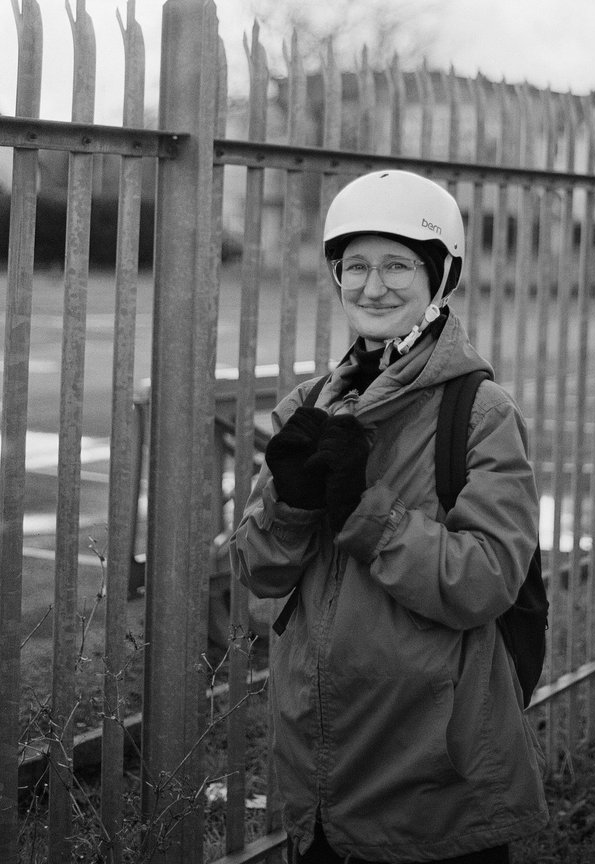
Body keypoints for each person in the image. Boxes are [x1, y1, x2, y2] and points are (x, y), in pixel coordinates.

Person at [230, 169, 547, 863]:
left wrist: (368, 516)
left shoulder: (482, 414)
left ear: (438, 278)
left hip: (431, 770)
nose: (373, 287)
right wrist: (293, 503)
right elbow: (259, 571)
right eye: (356, 267)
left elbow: (486, 578)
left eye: (398, 265)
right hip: (317, 766)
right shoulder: (307, 408)